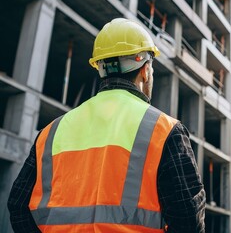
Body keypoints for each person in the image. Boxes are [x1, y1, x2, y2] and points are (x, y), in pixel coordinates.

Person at [8, 18, 205, 233]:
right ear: (145, 69)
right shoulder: (164, 130)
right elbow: (188, 220)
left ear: (101, 68)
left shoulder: (51, 132)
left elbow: (18, 205)